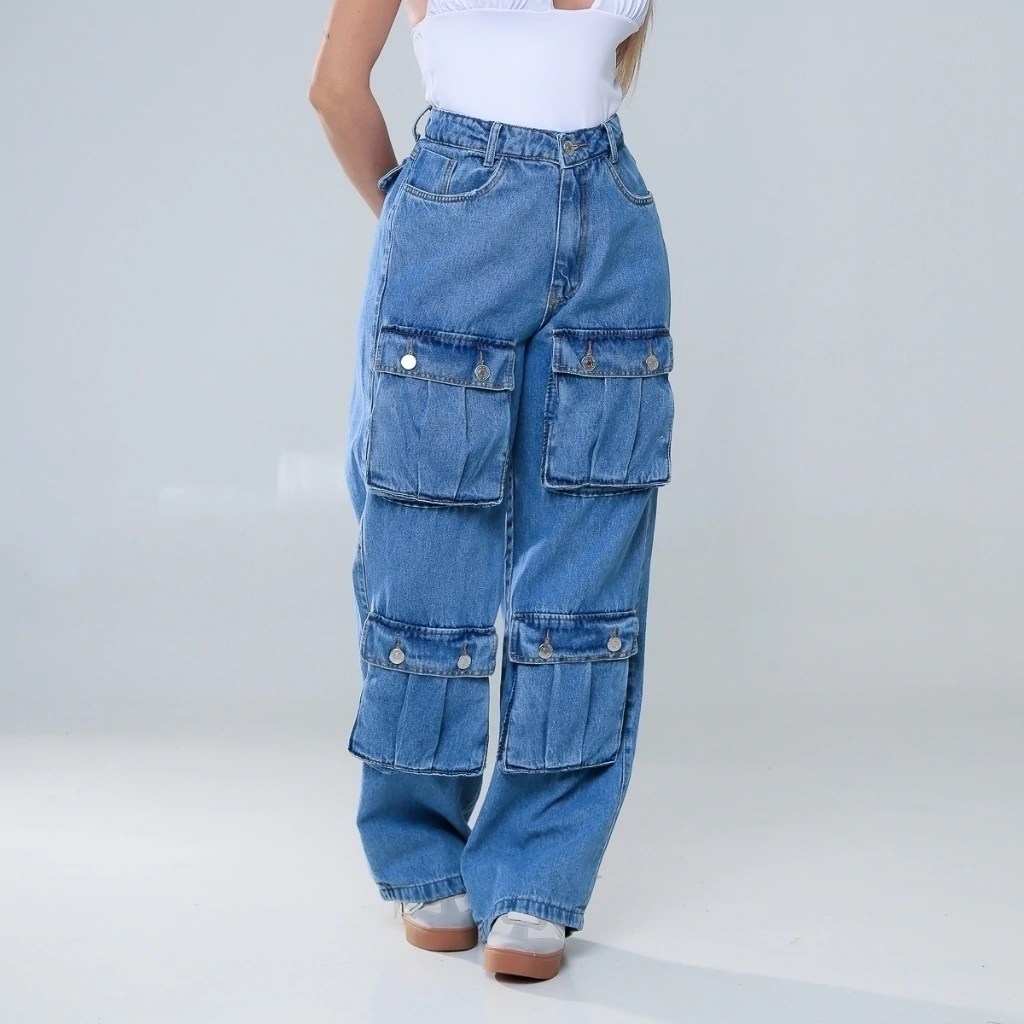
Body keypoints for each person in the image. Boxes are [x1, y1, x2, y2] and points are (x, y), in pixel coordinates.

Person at [308, 0, 672, 982]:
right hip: (453, 213)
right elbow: (335, 89)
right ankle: (422, 852)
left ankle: (537, 876)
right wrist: (421, 217)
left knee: (589, 569)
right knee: (425, 547)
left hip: (612, 226)